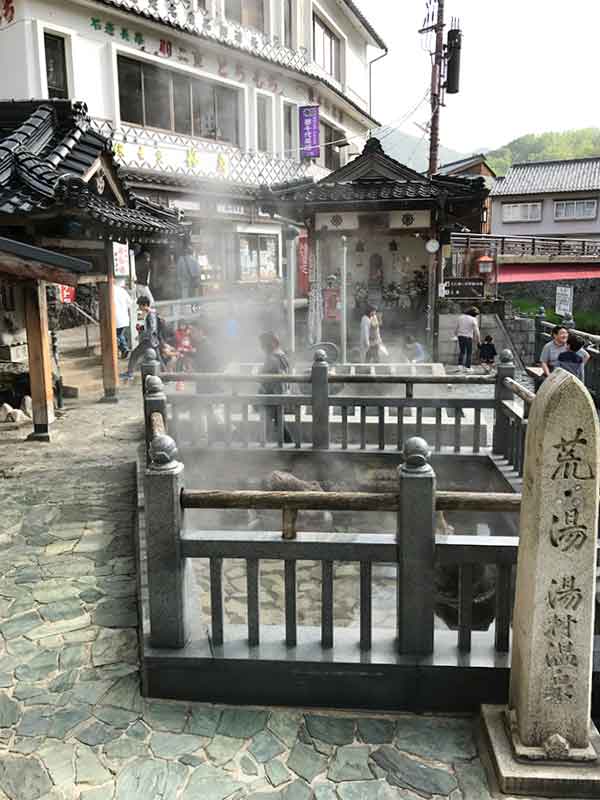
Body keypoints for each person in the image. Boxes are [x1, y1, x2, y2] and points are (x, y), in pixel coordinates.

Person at [258, 332, 293, 443]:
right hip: (281, 392)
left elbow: (263, 377)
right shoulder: (282, 355)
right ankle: (289, 444)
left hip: (272, 394)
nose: (261, 347)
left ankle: (262, 447)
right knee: (278, 421)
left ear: (270, 343)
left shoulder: (272, 358)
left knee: (267, 422)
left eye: (263, 344)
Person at [122, 296, 160, 381]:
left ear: (145, 305)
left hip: (149, 341)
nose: (139, 308)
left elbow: (152, 329)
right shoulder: (152, 313)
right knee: (158, 358)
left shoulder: (151, 314)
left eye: (140, 305)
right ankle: (166, 377)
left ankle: (130, 374)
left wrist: (142, 335)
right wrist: (141, 329)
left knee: (134, 354)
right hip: (154, 340)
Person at [454, 306, 480, 371]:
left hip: (460, 336)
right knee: (469, 352)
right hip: (468, 337)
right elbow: (477, 331)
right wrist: (478, 341)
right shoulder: (473, 319)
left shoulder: (460, 317)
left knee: (462, 351)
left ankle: (459, 366)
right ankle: (467, 367)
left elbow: (457, 328)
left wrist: (455, 335)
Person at [113, 280, 132, 359]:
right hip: (124, 318)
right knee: (119, 334)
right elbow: (130, 303)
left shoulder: (111, 290)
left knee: (117, 335)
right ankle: (124, 350)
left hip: (115, 318)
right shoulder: (123, 291)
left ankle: (124, 349)